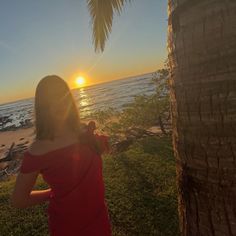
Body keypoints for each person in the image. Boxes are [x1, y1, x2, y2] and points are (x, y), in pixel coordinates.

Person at [11, 75, 112, 236]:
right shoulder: (38, 150)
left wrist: (102, 141)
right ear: (42, 107)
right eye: (50, 99)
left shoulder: (84, 132)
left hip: (99, 220)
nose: (58, 102)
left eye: (61, 95)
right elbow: (18, 200)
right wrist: (50, 193)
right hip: (68, 227)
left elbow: (97, 155)